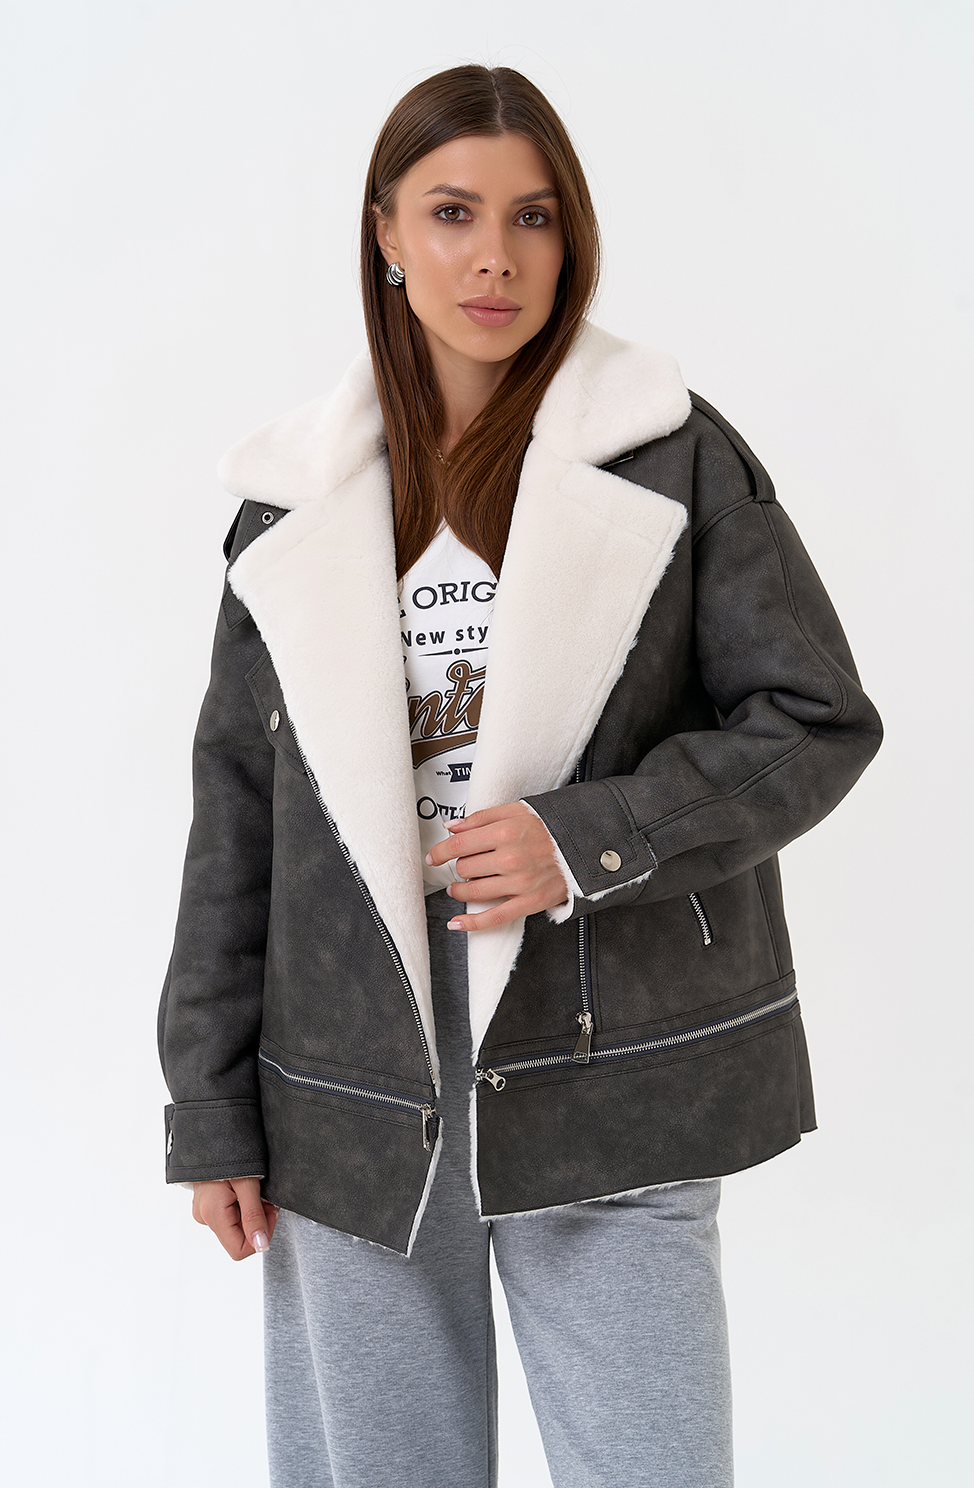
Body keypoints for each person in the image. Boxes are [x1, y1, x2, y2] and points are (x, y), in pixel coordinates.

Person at [159, 64, 882, 1488]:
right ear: (385, 232)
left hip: (611, 1063)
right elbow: (236, 822)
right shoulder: (294, 506)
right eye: (453, 212)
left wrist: (592, 837)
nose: (495, 255)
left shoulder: (670, 459)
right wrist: (210, 1105)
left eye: (532, 217)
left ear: (572, 238)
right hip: (352, 1079)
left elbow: (815, 718)